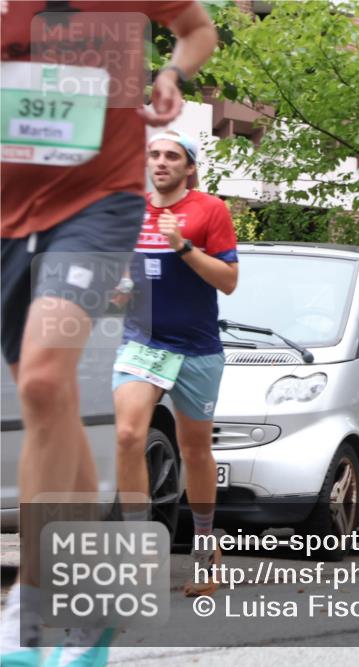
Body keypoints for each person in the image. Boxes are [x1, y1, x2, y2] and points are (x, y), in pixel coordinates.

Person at [0, 2, 217, 665]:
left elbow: (197, 26)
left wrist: (173, 73)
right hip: (10, 216)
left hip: (98, 208)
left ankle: (31, 604)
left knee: (41, 378)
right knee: (51, 397)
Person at [112, 130, 238, 598]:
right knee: (127, 434)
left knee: (195, 450)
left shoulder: (211, 210)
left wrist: (183, 246)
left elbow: (228, 282)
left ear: (189, 167)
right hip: (144, 341)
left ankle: (205, 550)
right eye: (154, 154)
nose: (160, 161)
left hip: (197, 347)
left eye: (172, 156)